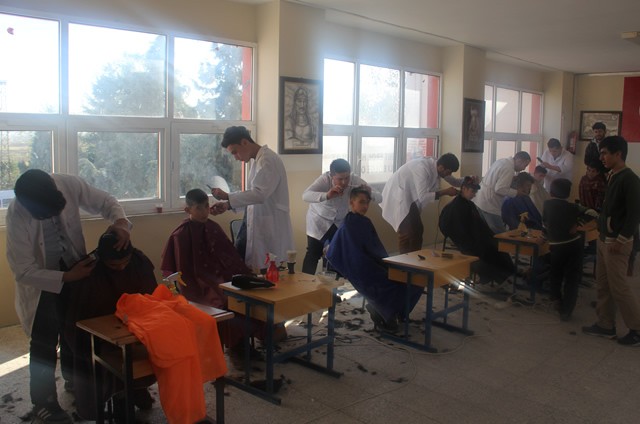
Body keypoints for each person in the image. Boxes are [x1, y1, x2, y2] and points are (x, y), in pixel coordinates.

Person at [5, 169, 131, 424]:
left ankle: (75, 380)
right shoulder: (18, 213)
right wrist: (66, 277)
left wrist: (120, 223)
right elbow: (23, 270)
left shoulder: (68, 184)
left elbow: (106, 201)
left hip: (75, 266)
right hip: (43, 280)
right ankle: (43, 402)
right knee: (44, 341)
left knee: (76, 330)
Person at [161, 188, 267, 362]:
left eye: (206, 206)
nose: (204, 212)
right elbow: (179, 272)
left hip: (223, 278)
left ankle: (247, 341)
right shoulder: (181, 235)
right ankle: (236, 347)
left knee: (248, 295)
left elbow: (230, 256)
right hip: (198, 285)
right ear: (188, 210)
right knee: (224, 302)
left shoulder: (213, 227)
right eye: (199, 208)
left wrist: (245, 275)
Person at [64, 232, 157, 421]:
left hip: (135, 326)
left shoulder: (139, 262)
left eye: (125, 262)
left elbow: (151, 297)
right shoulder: (88, 271)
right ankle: (121, 395)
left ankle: (135, 389)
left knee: (154, 351)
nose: (121, 268)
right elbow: (77, 316)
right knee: (108, 360)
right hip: (97, 336)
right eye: (114, 265)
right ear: (102, 259)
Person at [327, 188, 423, 331]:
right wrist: (378, 266)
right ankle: (385, 313)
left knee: (417, 281)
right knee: (393, 285)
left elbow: (376, 248)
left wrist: (386, 263)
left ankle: (394, 313)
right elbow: (352, 256)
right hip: (363, 269)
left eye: (367, 203)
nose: (365, 206)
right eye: (361, 202)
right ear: (351, 203)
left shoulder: (365, 222)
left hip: (375, 263)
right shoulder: (348, 226)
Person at [210, 126, 294, 272]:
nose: (236, 157)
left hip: (270, 226)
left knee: (268, 271)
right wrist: (228, 205)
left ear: (244, 142)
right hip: (258, 222)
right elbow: (253, 196)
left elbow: (259, 194)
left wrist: (228, 196)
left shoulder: (268, 160)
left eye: (235, 152)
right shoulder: (258, 160)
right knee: (246, 266)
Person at [582, 136, 640, 346]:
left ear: (618, 154)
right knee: (603, 285)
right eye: (601, 153)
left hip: (617, 243)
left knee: (619, 287)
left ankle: (637, 329)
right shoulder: (612, 176)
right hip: (604, 239)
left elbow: (634, 214)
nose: (601, 157)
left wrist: (622, 239)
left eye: (605, 153)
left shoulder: (630, 179)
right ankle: (605, 325)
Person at [301, 158, 381, 275]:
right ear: (332, 175)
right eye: (340, 179)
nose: (344, 182)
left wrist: (370, 192)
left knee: (337, 254)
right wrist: (327, 195)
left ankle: (334, 283)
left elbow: (380, 198)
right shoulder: (324, 179)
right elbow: (305, 196)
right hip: (319, 220)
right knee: (313, 253)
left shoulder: (355, 180)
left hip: (338, 222)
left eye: (346, 178)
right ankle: (305, 283)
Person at [438, 177, 515, 286]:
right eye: (472, 191)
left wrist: (488, 235)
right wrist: (475, 239)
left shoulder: (469, 204)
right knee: (488, 250)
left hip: (476, 236)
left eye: (475, 192)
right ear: (464, 188)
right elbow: (457, 229)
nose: (474, 195)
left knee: (497, 245)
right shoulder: (456, 207)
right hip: (468, 240)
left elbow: (479, 224)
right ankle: (493, 276)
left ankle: (504, 274)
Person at [380, 153, 463, 254]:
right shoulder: (422, 168)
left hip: (409, 198)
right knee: (407, 233)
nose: (448, 175)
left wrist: (467, 179)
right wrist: (446, 192)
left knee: (417, 230)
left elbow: (454, 181)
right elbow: (423, 197)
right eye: (448, 172)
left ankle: (414, 258)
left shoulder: (438, 167)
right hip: (398, 197)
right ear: (442, 167)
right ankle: (404, 261)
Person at [543, 179, 598, 321]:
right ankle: (566, 311)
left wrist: (547, 235)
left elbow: (545, 224)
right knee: (572, 278)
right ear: (568, 194)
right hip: (574, 246)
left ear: (551, 192)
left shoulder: (547, 205)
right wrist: (578, 224)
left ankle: (556, 298)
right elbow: (593, 214)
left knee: (556, 273)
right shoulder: (574, 207)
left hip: (556, 246)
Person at [474, 151, 531, 234]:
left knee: (485, 231)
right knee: (500, 233)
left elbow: (497, 180)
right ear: (519, 160)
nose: (524, 168)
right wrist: (517, 193)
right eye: (525, 165)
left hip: (480, 199)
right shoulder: (509, 169)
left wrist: (510, 179)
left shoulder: (502, 161)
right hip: (489, 204)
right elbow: (500, 189)